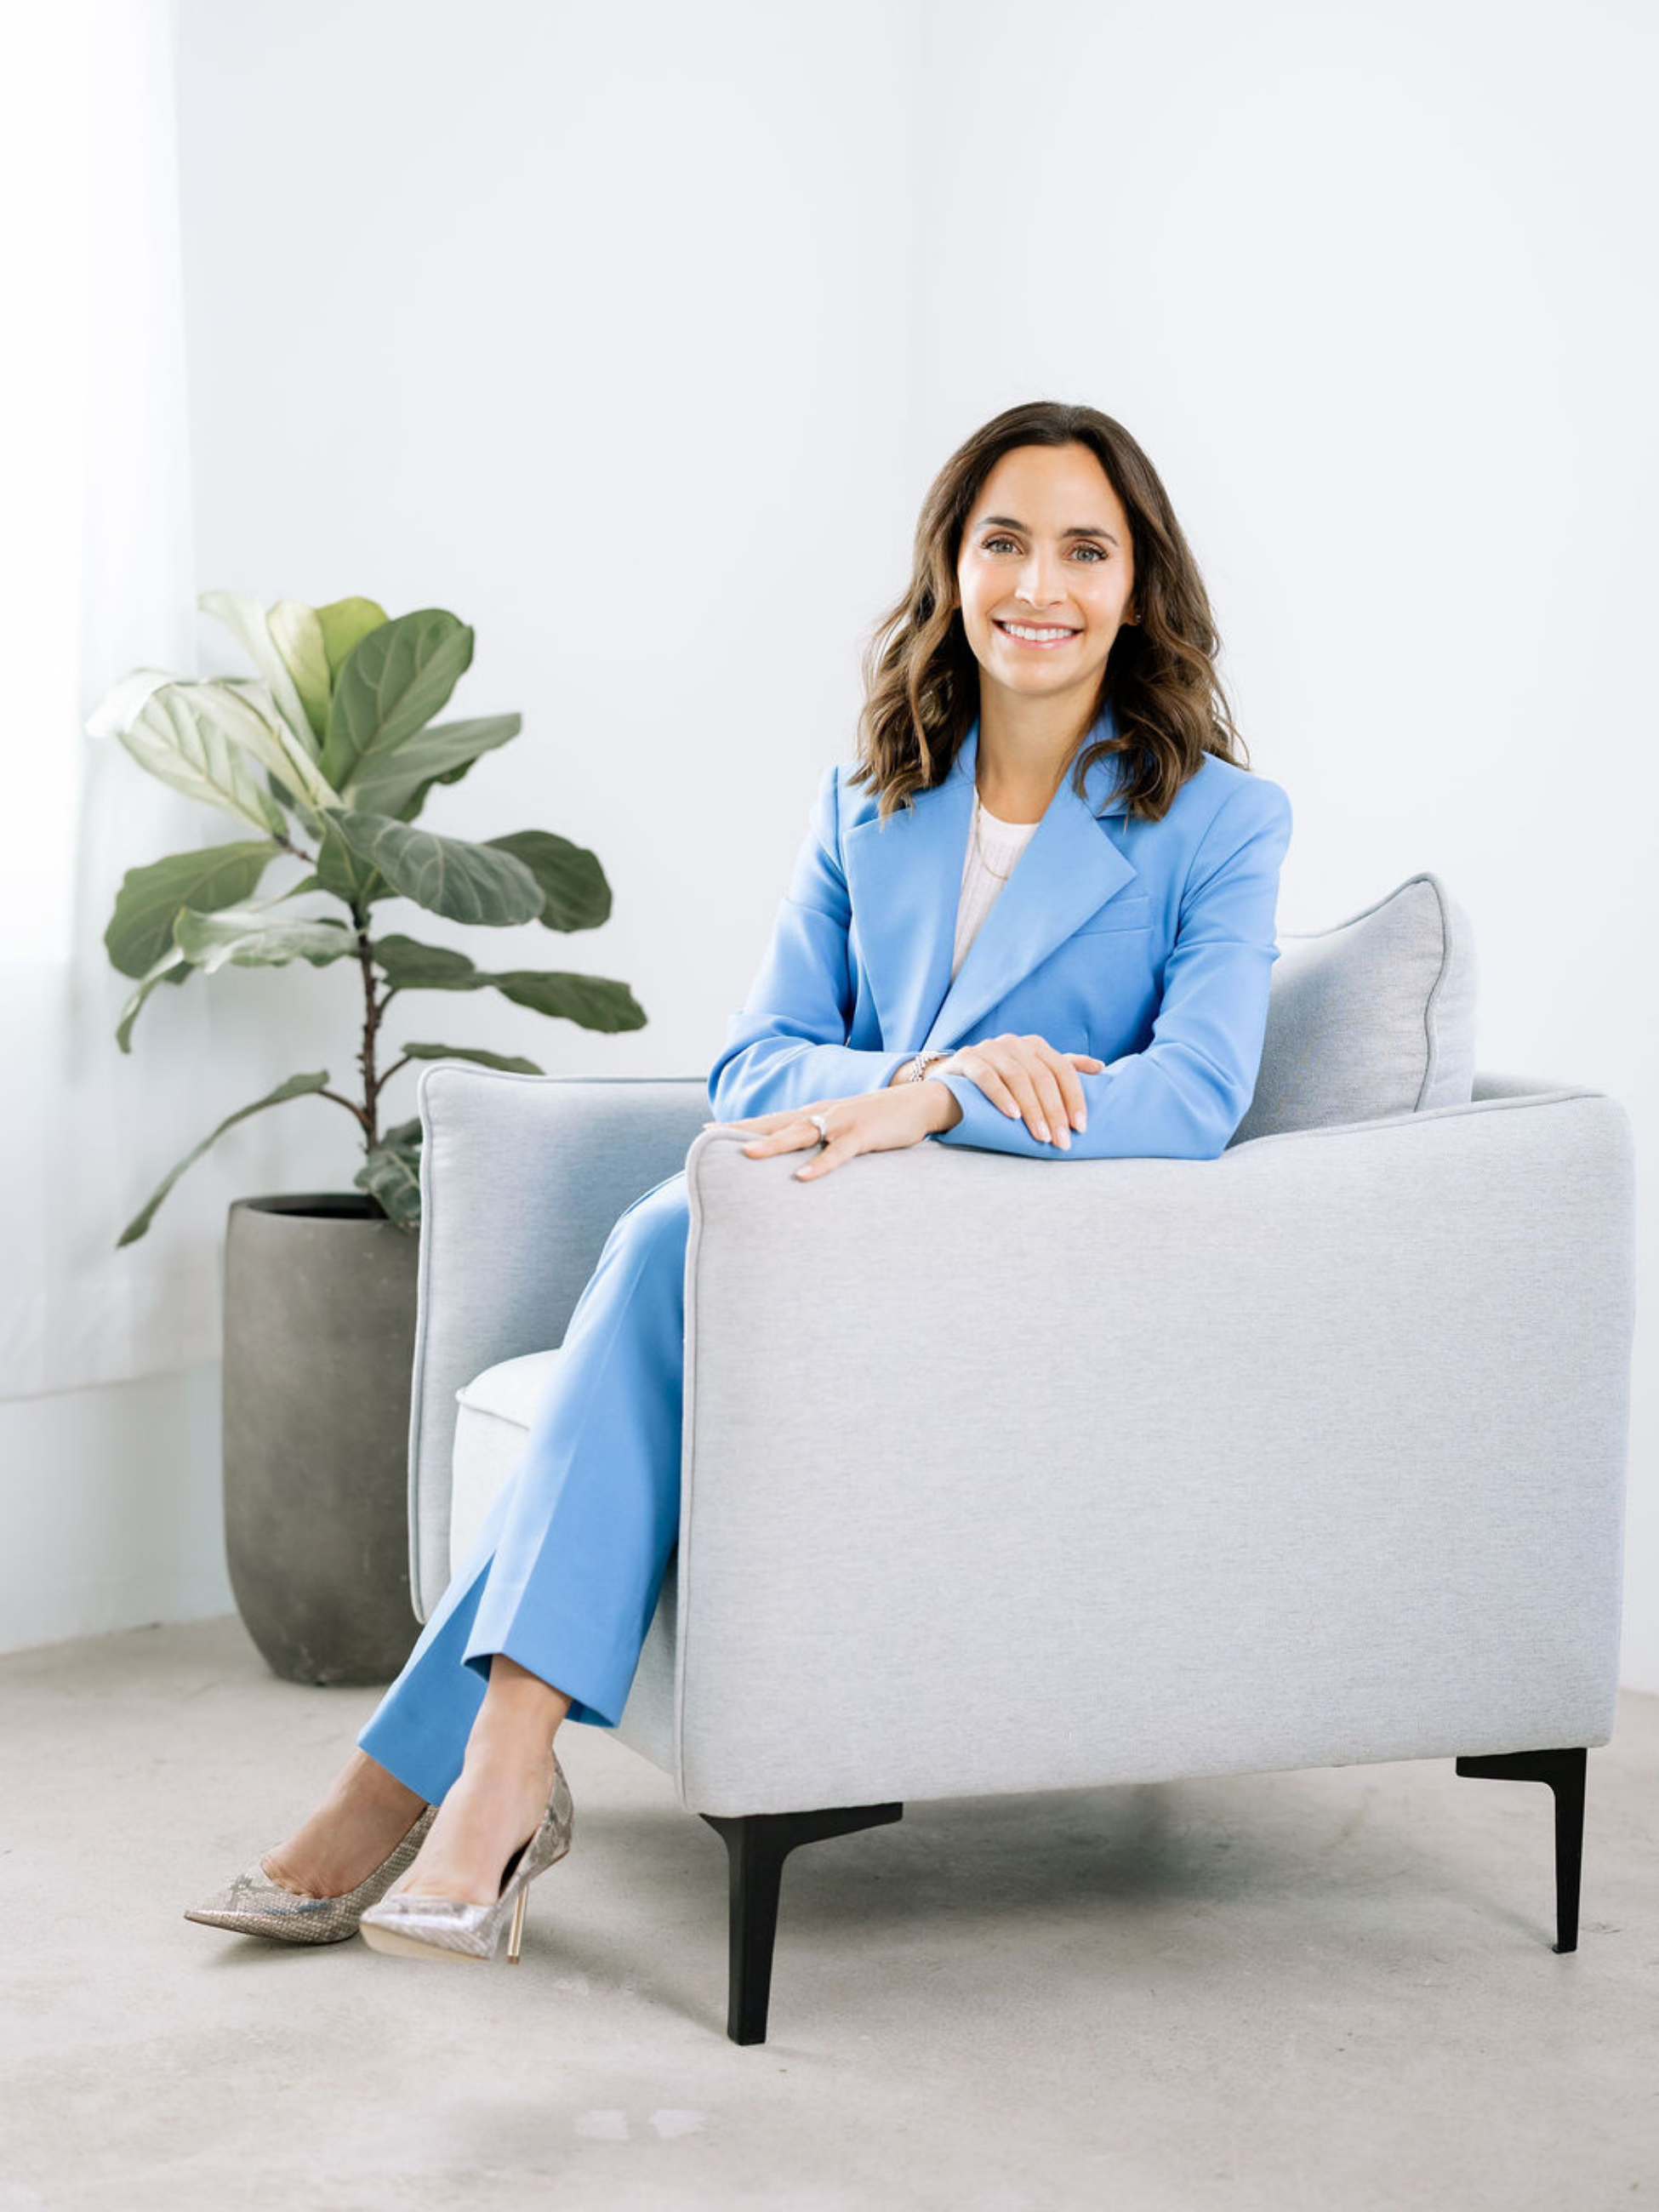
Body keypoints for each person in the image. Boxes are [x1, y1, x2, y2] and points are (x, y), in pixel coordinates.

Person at [185, 398, 1293, 1966]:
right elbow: (756, 1067)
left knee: (663, 1235)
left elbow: (1190, 1101)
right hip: (814, 1237)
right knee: (679, 1233)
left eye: (1084, 548)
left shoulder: (1221, 821)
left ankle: (431, 1788)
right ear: (951, 569)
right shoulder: (872, 799)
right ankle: (483, 1780)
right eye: (1003, 541)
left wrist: (939, 1111)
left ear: (1138, 586)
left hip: (1022, 1263)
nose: (1038, 583)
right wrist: (942, 1082)